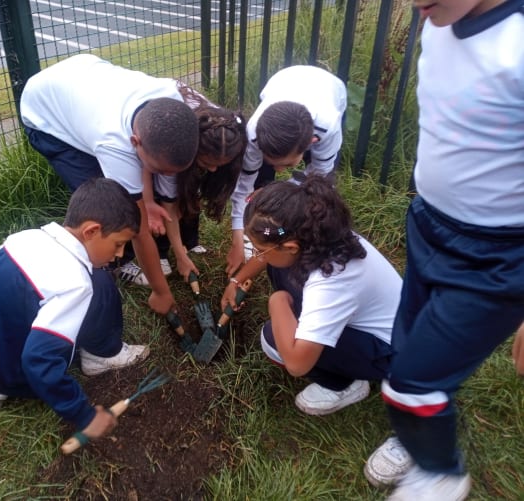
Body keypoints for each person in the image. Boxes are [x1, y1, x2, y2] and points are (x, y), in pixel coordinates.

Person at [364, 1, 524, 499]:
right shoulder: (441, 18)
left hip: (498, 256)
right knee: (408, 345)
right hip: (429, 224)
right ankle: (417, 430)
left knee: (413, 381)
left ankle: (441, 471)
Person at [0, 178, 150, 443]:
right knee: (101, 285)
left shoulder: (25, 237)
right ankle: (99, 355)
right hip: (21, 370)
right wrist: (84, 415)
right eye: (119, 243)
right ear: (91, 231)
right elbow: (39, 361)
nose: (120, 254)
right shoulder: (74, 284)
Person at [19, 54, 199, 316]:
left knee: (134, 189)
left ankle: (119, 252)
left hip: (84, 80)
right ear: (135, 143)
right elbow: (139, 230)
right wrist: (161, 293)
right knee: (107, 203)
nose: (165, 176)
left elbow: (159, 186)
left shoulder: (173, 103)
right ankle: (114, 262)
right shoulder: (113, 143)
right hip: (45, 112)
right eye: (160, 170)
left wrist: (180, 252)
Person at [220, 176, 402, 416]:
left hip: (393, 351)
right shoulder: (313, 234)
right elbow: (271, 247)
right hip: (382, 319)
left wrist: (277, 303)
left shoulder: (331, 283)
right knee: (278, 266)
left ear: (291, 247)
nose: (256, 255)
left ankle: (345, 385)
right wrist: (236, 281)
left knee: (274, 339)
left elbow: (297, 364)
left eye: (259, 250)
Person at [225, 65, 347, 276]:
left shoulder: (328, 128)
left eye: (288, 165)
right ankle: (262, 232)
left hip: (331, 91)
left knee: (316, 193)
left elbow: (318, 179)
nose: (280, 171)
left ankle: (296, 235)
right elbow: (243, 186)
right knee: (260, 181)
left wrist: (286, 192)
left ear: (310, 142)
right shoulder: (254, 132)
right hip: (281, 82)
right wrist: (237, 239)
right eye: (272, 162)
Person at [120, 85, 248, 285]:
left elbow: (240, 195)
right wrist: (179, 256)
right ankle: (162, 252)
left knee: (190, 195)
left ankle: (190, 242)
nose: (213, 170)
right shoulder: (176, 148)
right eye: (207, 164)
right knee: (165, 202)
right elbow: (168, 204)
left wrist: (238, 242)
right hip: (155, 142)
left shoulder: (226, 134)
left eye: (219, 166)